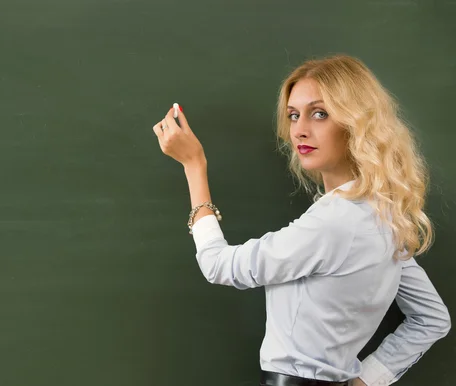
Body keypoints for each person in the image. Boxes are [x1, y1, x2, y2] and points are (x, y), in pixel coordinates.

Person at [152, 54, 451, 386]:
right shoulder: (384, 218)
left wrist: (194, 166)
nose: (300, 130)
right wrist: (365, 380)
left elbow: (219, 265)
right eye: (294, 115)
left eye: (319, 114)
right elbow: (432, 319)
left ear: (356, 122)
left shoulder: (335, 221)